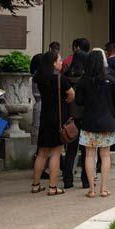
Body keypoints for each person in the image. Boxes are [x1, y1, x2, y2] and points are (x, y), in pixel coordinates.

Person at [75, 49, 115, 198]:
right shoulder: (110, 79)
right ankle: (104, 188)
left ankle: (91, 189)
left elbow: (79, 101)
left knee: (89, 155)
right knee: (105, 155)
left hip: (89, 121)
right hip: (107, 121)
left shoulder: (83, 80)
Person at [31, 50, 74, 196]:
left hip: (44, 117)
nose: (62, 62)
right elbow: (71, 94)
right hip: (58, 118)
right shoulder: (60, 79)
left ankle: (36, 184)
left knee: (42, 152)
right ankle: (53, 186)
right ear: (53, 63)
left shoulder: (39, 79)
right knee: (56, 152)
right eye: (59, 60)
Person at [62, 49, 89, 189]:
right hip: (83, 117)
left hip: (70, 118)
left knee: (70, 151)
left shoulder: (66, 76)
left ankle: (67, 180)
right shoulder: (86, 78)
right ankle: (85, 180)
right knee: (85, 152)